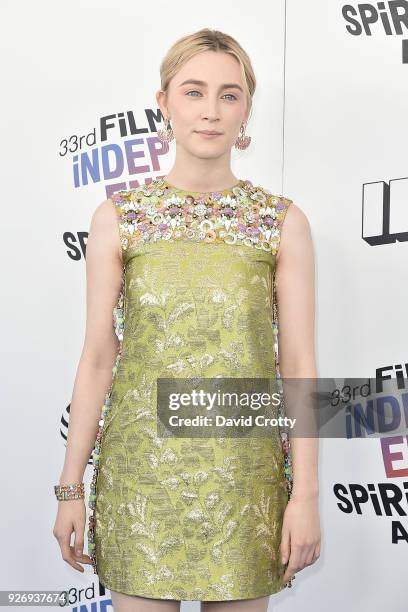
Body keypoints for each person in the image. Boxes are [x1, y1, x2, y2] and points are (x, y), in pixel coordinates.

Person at [53, 28, 320, 612]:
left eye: (229, 95)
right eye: (194, 91)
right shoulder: (118, 218)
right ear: (165, 103)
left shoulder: (281, 223)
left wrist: (305, 496)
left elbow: (298, 365)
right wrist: (71, 488)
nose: (210, 111)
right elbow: (99, 355)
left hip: (244, 482)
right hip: (140, 481)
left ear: (247, 109)